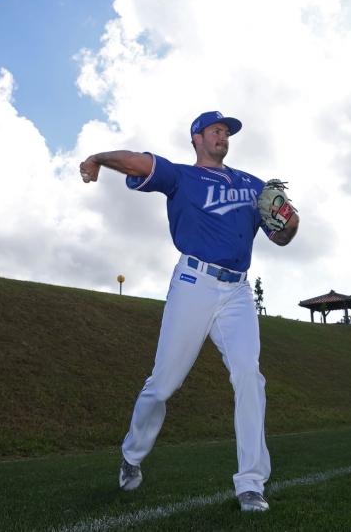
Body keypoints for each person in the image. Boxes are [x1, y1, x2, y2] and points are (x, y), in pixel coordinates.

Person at [79, 111, 300, 513]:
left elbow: (283, 236)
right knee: (163, 384)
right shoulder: (182, 176)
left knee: (249, 374)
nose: (224, 136)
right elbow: (136, 161)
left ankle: (251, 483)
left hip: (238, 291)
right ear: (196, 138)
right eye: (216, 130)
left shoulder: (253, 185)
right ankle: (132, 456)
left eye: (227, 132)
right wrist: (97, 157)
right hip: (193, 284)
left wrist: (289, 221)